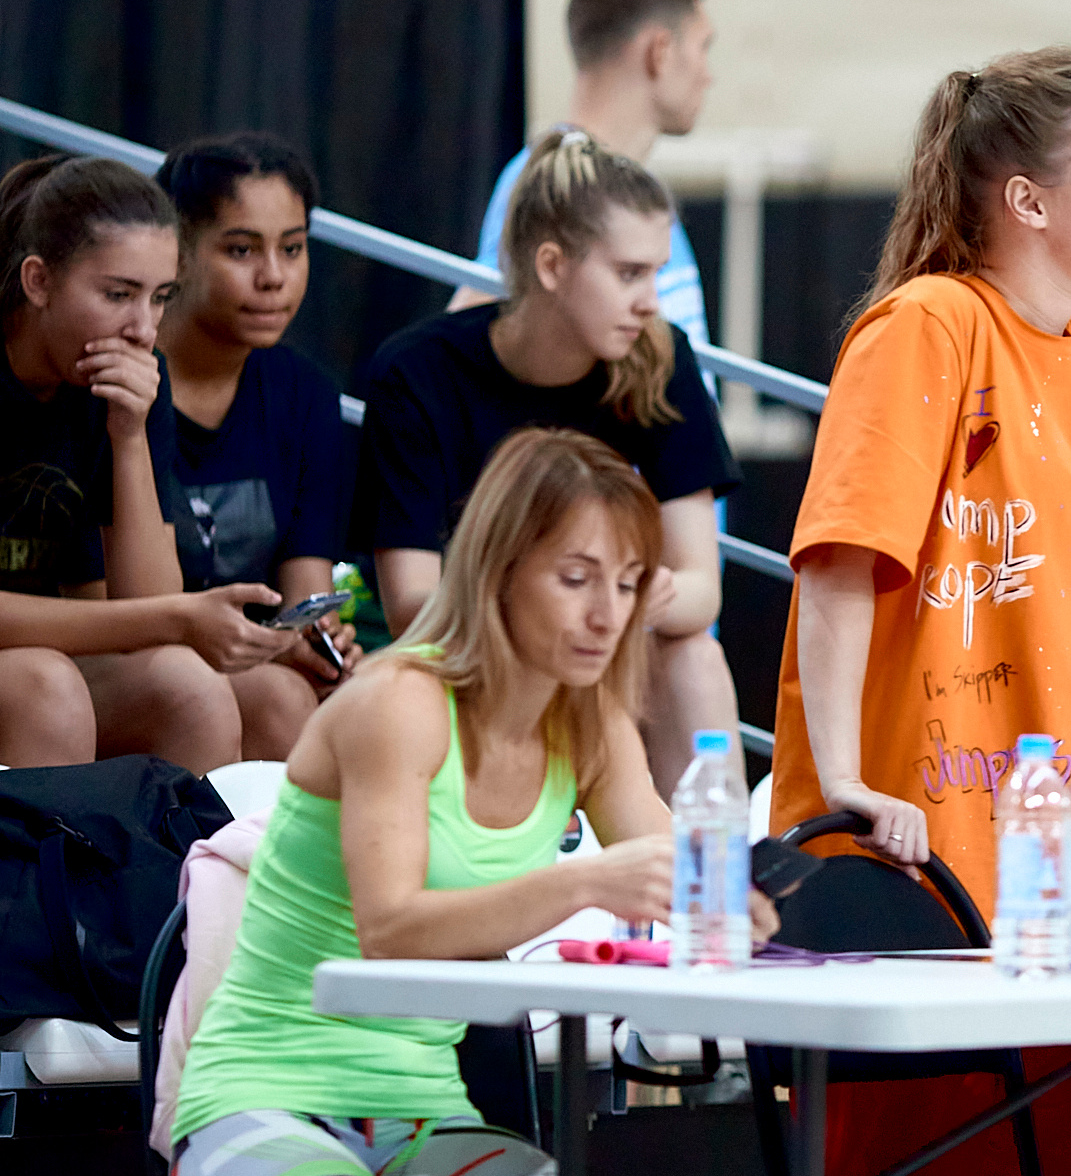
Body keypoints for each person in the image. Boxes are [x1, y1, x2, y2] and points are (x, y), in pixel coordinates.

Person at [769, 47, 1071, 1176]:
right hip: (917, 861)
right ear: (1028, 200)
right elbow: (835, 570)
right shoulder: (923, 329)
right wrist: (843, 783)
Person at [169, 425, 776, 1176]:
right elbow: (390, 929)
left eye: (629, 582)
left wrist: (743, 903)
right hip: (261, 1101)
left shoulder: (589, 721)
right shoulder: (400, 700)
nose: (608, 614)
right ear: (498, 570)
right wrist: (588, 882)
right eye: (576, 578)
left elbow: (686, 884)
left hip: (426, 1119)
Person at [354, 129, 741, 793]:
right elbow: (411, 610)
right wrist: (554, 614)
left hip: (600, 648)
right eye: (630, 274)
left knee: (695, 661)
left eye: (657, 273)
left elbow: (702, 587)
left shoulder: (660, 358)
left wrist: (636, 597)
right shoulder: (417, 373)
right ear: (553, 266)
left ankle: (713, 858)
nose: (651, 301)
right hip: (471, 660)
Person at [0, 155, 294, 771]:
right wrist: (181, 617)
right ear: (38, 282)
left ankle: (180, 844)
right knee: (47, 690)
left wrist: (130, 436)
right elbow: (160, 615)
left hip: (45, 653)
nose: (143, 329)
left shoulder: (130, 384)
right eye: (118, 295)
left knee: (194, 691)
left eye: (160, 298)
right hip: (32, 671)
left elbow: (148, 607)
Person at [156, 134, 362, 760]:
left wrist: (319, 643)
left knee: (310, 695)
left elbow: (305, 592)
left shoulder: (305, 395)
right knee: (264, 697)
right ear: (177, 253)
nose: (274, 277)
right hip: (136, 653)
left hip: (247, 660)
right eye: (241, 250)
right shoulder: (122, 380)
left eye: (292, 248)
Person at [452, 0, 713, 364]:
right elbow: (464, 339)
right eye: (703, 48)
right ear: (660, 51)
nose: (709, 75)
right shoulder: (549, 185)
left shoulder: (636, 195)